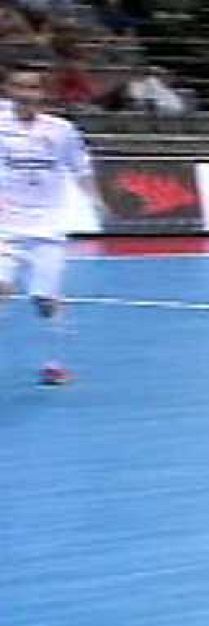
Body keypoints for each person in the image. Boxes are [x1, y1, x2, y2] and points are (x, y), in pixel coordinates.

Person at [0, 65, 108, 386]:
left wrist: (96, 199)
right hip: (5, 223)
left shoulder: (61, 130)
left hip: (47, 225)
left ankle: (54, 362)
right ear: (8, 91)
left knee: (45, 301)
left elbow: (81, 167)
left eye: (32, 88)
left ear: (43, 93)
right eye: (18, 87)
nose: (25, 94)